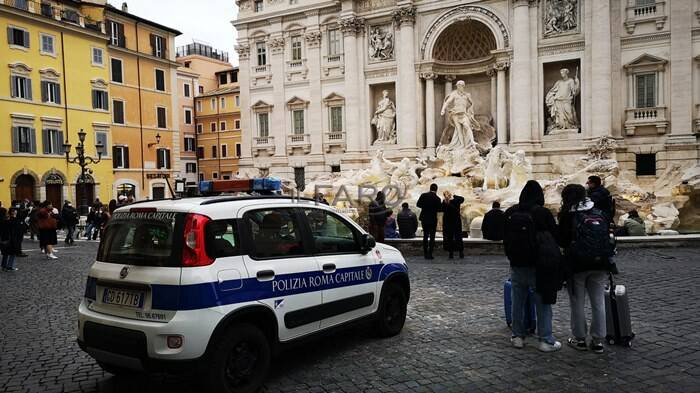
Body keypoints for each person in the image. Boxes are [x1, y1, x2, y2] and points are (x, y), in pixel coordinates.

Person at [504, 180, 562, 352]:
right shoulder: (542, 212)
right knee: (543, 302)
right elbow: (556, 236)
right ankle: (546, 340)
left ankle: (517, 337)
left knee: (517, 301)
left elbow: (505, 236)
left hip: (516, 264)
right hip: (539, 265)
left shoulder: (511, 211)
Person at [557, 184, 611, 354]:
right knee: (598, 302)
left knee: (577, 302)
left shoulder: (568, 214)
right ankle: (598, 341)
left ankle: (580, 339)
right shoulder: (598, 211)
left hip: (577, 264)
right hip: (600, 263)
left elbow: (563, 241)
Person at [417, 184, 442, 260]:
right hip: (432, 219)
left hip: (424, 218)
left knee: (425, 236)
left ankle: (425, 253)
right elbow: (439, 210)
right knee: (432, 237)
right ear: (436, 189)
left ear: (430, 188)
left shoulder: (423, 195)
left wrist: (425, 207)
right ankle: (430, 254)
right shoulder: (437, 198)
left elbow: (418, 204)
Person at [442, 190, 465, 259]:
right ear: (450, 194)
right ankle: (461, 252)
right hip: (456, 222)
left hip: (448, 223)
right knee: (458, 238)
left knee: (450, 238)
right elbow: (462, 198)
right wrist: (454, 195)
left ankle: (451, 253)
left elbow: (441, 210)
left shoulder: (444, 203)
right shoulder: (456, 200)